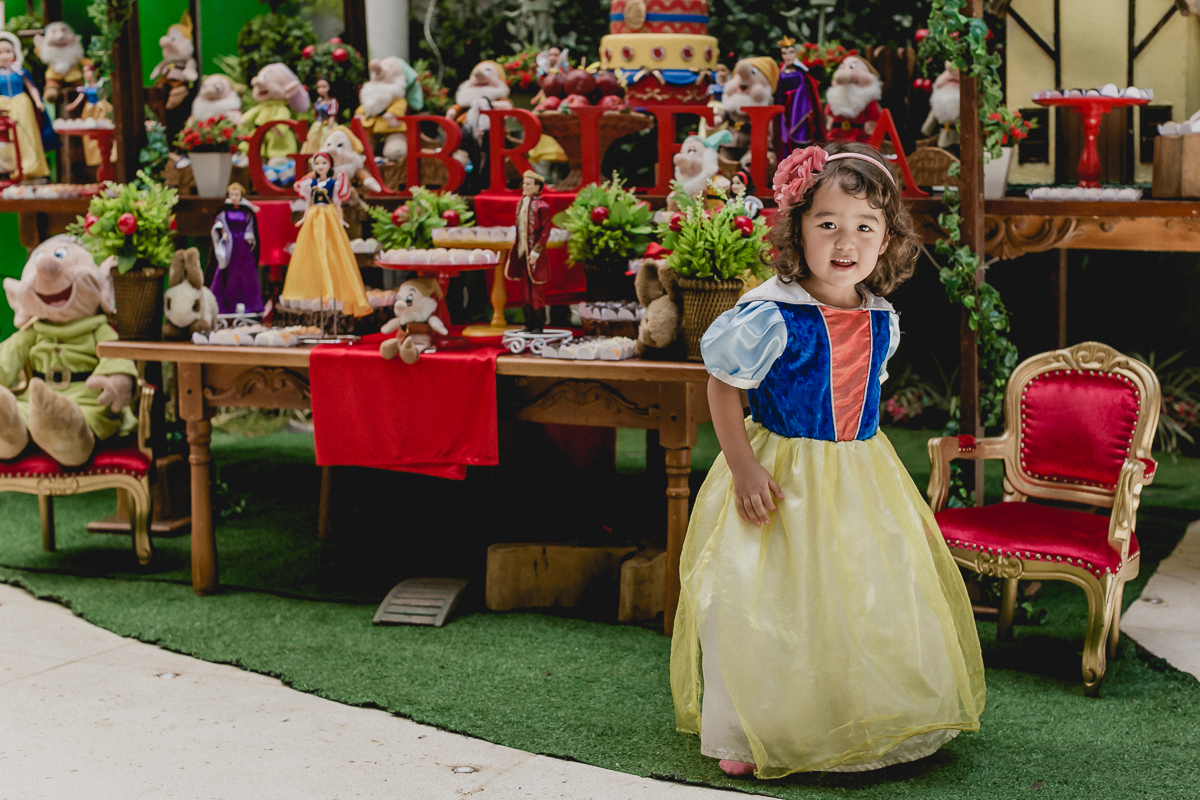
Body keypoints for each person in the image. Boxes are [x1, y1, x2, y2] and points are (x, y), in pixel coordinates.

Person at [670, 142, 985, 779]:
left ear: (887, 240)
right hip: (782, 475)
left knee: (865, 591)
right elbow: (723, 388)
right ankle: (758, 727)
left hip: (859, 474)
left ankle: (860, 715)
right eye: (828, 224)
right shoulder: (770, 313)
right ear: (798, 231)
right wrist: (744, 468)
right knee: (770, 600)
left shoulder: (881, 317)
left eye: (865, 227)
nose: (846, 242)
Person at [281, 151, 371, 318]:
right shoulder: (310, 184)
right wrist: (304, 218)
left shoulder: (333, 184)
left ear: (329, 165)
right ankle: (316, 285)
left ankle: (332, 285)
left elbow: (337, 204)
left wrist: (340, 220)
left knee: (332, 248)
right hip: (314, 216)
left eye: (323, 163)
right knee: (312, 248)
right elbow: (308, 204)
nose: (320, 166)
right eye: (317, 163)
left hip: (329, 215)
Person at [504, 170, 552, 332]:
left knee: (536, 291)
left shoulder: (542, 206)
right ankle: (529, 324)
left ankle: (538, 325)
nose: (524, 186)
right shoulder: (520, 204)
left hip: (535, 255)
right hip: (522, 253)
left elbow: (545, 232)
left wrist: (536, 252)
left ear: (537, 187)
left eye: (528, 184)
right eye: (524, 183)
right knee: (525, 290)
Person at [0, 31, 50, 182]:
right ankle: (8, 168)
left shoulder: (20, 71)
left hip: (21, 105)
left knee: (26, 133)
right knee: (6, 137)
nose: (4, 56)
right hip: (3, 106)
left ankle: (30, 167)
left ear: (15, 52)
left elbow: (32, 87)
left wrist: (38, 101)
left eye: (8, 51)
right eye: (0, 53)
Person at [208, 182, 263, 314]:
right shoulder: (224, 210)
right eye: (231, 194)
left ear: (241, 195)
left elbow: (250, 225)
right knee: (226, 273)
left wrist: (249, 236)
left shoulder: (246, 211)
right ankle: (223, 305)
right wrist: (223, 231)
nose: (234, 197)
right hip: (229, 245)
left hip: (242, 246)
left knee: (245, 274)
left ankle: (249, 305)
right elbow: (219, 221)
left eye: (236, 194)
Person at [302, 77, 338, 154]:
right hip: (317, 125)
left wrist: (330, 128)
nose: (321, 89)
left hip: (328, 125)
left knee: (326, 140)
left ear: (329, 87)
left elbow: (332, 116)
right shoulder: (318, 101)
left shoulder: (332, 101)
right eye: (319, 87)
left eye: (324, 86)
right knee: (313, 141)